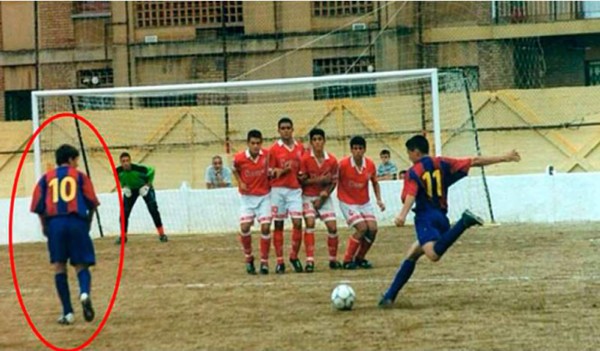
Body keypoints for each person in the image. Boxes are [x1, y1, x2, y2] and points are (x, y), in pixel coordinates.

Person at [379, 135, 521, 307]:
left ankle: (464, 222)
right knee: (413, 253)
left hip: (426, 218)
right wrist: (505, 157)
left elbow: (411, 194)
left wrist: (402, 215)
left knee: (432, 254)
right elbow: (474, 160)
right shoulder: (442, 163)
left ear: (415, 151)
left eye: (409, 153)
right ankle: (389, 297)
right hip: (441, 216)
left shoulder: (414, 171)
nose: (409, 157)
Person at [30, 144, 99, 325]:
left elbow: (38, 206)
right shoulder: (80, 177)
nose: (77, 164)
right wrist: (87, 223)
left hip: (55, 224)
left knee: (59, 266)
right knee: (81, 265)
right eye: (76, 160)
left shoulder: (46, 179)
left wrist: (45, 227)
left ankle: (68, 313)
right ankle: (84, 294)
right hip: (76, 222)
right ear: (70, 160)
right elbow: (92, 202)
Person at [337, 136, 385, 270]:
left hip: (364, 202)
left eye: (360, 148)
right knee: (362, 228)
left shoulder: (369, 165)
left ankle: (360, 258)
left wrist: (379, 200)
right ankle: (347, 260)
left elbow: (375, 183)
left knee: (373, 229)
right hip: (347, 202)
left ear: (364, 150)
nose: (358, 151)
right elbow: (333, 179)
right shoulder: (343, 165)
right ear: (351, 150)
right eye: (355, 148)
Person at [298, 128, 341, 272]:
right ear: (311, 142)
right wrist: (320, 179)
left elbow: (334, 182)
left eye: (320, 139)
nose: (317, 142)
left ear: (324, 141)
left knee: (333, 227)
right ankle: (309, 261)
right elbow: (302, 182)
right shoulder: (305, 159)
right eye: (314, 140)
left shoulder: (332, 160)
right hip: (308, 197)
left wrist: (325, 194)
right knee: (310, 223)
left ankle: (333, 260)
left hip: (324, 197)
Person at [232, 130, 272, 275]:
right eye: (253, 143)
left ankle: (264, 262)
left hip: (264, 197)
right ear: (248, 143)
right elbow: (234, 168)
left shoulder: (267, 155)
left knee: (266, 227)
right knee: (244, 227)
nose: (256, 146)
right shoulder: (239, 158)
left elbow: (274, 167)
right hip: (247, 198)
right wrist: (240, 182)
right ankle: (248, 257)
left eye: (258, 143)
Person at [269, 117, 305, 274]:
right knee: (278, 225)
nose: (285, 131)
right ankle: (279, 261)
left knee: (297, 223)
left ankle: (294, 256)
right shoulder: (273, 150)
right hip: (277, 190)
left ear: (292, 129)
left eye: (288, 128)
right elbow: (269, 172)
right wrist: (281, 171)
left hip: (294, 190)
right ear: (278, 130)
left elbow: (303, 169)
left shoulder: (300, 148)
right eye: (282, 128)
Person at [115, 152, 168, 244]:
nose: (126, 163)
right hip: (131, 190)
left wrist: (148, 185)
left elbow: (152, 170)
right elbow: (118, 179)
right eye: (123, 161)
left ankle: (162, 234)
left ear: (130, 161)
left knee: (153, 210)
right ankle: (123, 237)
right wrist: (123, 187)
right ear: (121, 163)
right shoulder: (118, 171)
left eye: (127, 161)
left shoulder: (139, 168)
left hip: (144, 187)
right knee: (124, 213)